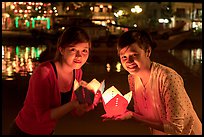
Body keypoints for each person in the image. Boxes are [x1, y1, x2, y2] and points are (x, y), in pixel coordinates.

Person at [102, 29, 202, 135]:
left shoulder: (167, 78)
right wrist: (118, 108)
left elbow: (176, 128)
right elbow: (142, 115)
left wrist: (133, 116)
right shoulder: (132, 78)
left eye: (134, 55)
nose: (129, 61)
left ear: (148, 51)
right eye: (124, 57)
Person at [9, 26, 94, 135]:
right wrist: (73, 104)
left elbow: (74, 111)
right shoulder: (44, 73)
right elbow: (42, 117)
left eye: (84, 51)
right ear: (61, 50)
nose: (79, 56)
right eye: (73, 49)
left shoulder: (77, 72)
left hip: (48, 131)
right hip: (24, 131)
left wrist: (85, 103)